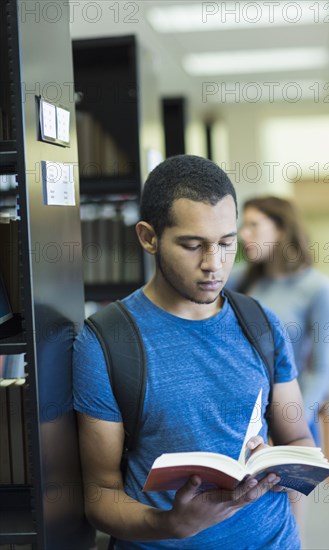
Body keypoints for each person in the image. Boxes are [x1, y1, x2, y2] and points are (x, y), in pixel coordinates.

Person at [73, 156, 314, 549]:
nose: (214, 265)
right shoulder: (106, 341)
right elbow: (99, 495)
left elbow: (300, 439)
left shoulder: (261, 323)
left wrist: (279, 467)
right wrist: (168, 524)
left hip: (274, 540)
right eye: (192, 245)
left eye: (226, 243)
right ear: (148, 237)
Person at [232, 196, 329, 447]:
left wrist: (295, 423)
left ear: (281, 229)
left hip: (292, 414)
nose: (243, 234)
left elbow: (321, 372)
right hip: (244, 411)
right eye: (242, 226)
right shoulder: (236, 281)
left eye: (253, 225)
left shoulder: (318, 288)